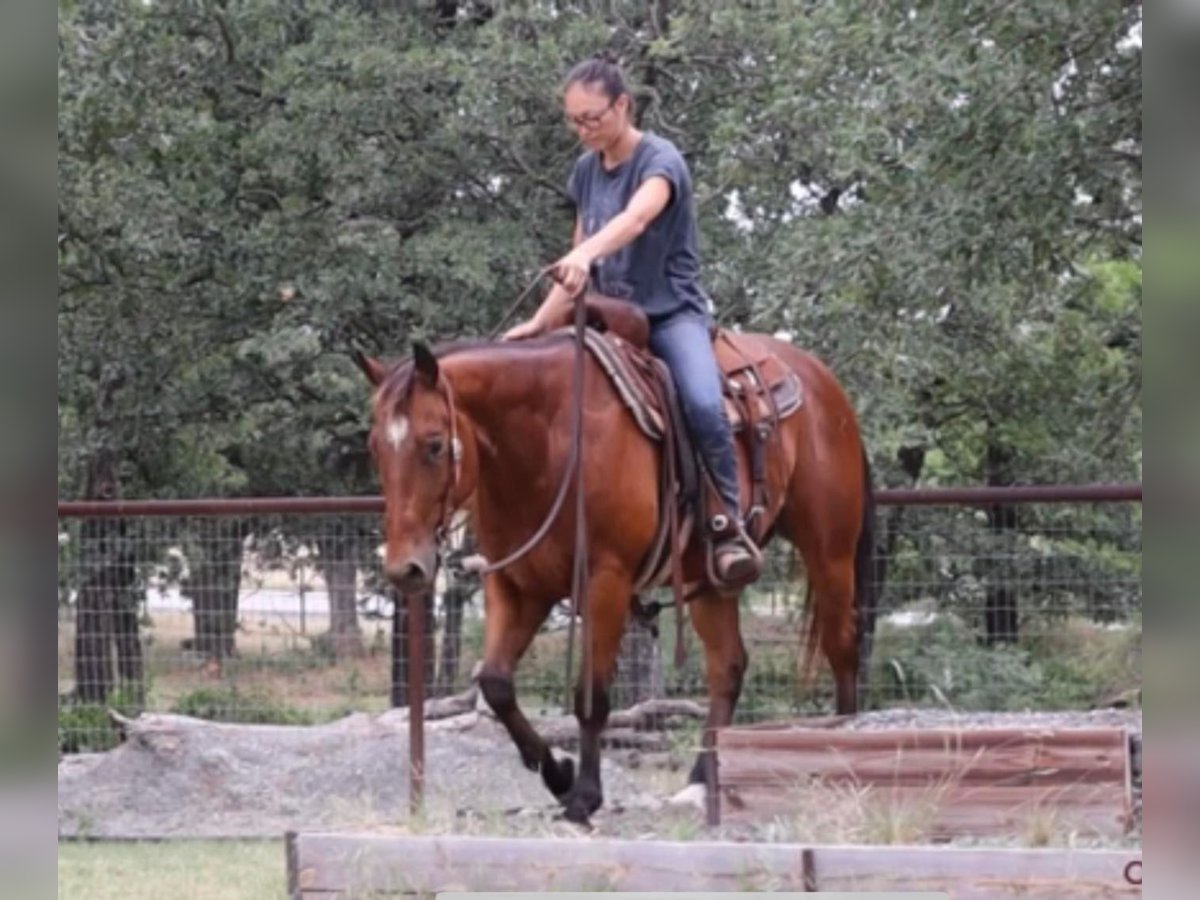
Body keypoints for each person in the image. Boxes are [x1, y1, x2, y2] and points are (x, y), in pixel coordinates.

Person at [503, 53, 760, 587]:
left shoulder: (661, 161)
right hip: (606, 318)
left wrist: (585, 256)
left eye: (592, 118)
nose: (583, 131)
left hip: (669, 316)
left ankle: (727, 522)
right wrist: (538, 323)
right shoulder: (584, 171)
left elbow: (635, 219)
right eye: (574, 121)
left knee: (703, 401)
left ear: (623, 105)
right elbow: (576, 266)